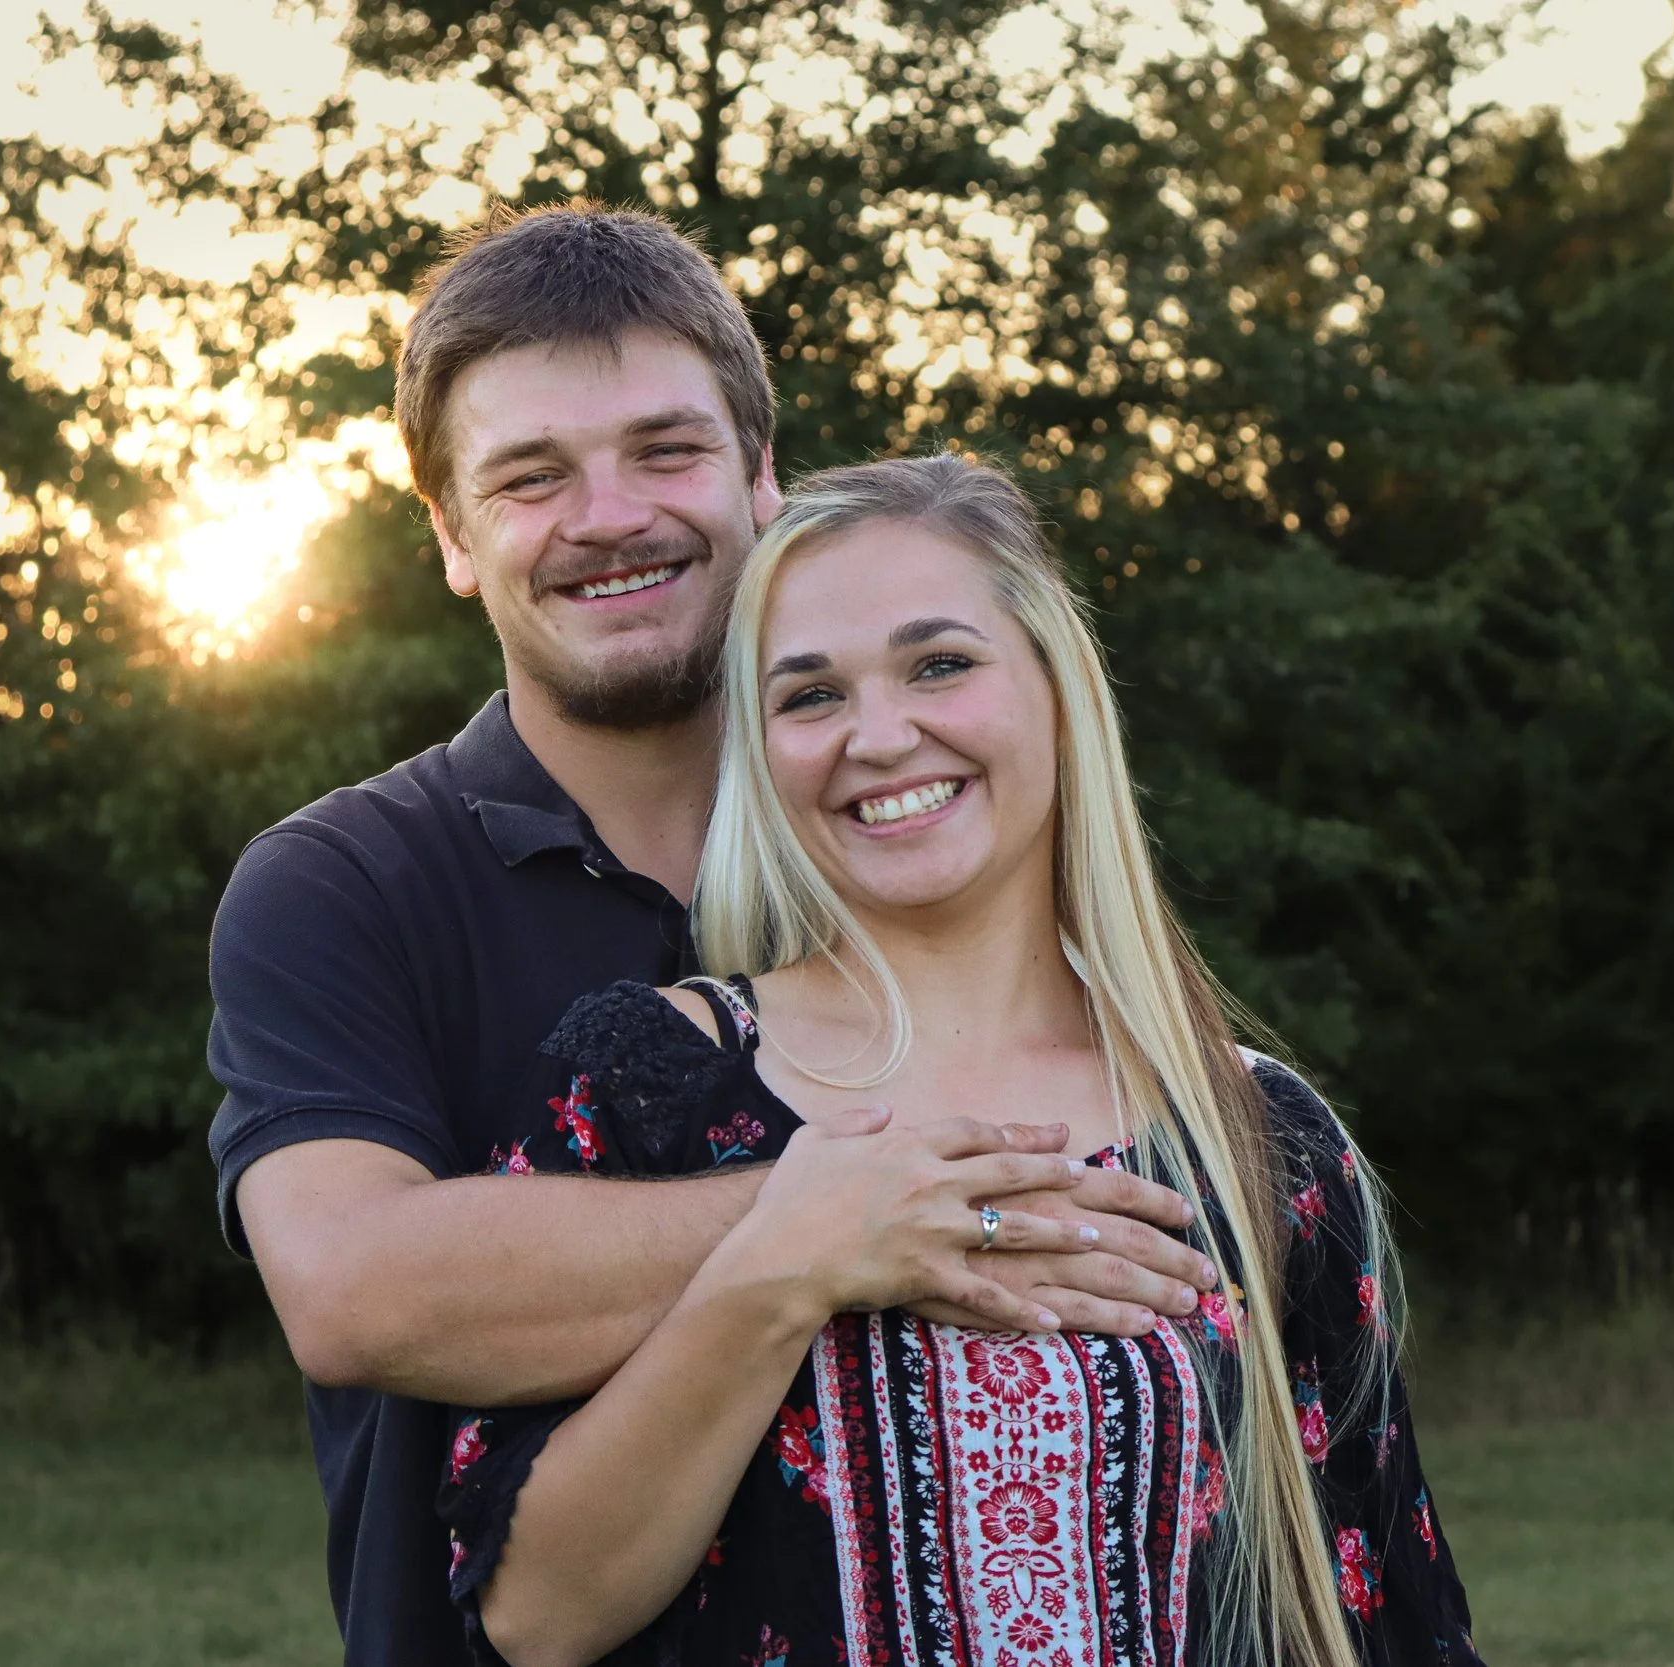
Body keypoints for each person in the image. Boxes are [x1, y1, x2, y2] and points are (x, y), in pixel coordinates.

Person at [206, 206, 1222, 1666]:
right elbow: (357, 1290)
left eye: (666, 450)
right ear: (449, 533)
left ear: (762, 476)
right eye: (533, 476)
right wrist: (850, 1217)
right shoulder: (346, 881)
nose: (611, 514)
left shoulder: (921, 815)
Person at [439, 454, 1484, 1667]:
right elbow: (535, 1615)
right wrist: (783, 1261)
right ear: (759, 752)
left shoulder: (1256, 1133)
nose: (880, 736)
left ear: (1054, 686)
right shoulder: (645, 1085)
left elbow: (1393, 1614)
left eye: (940, 663)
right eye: (809, 695)